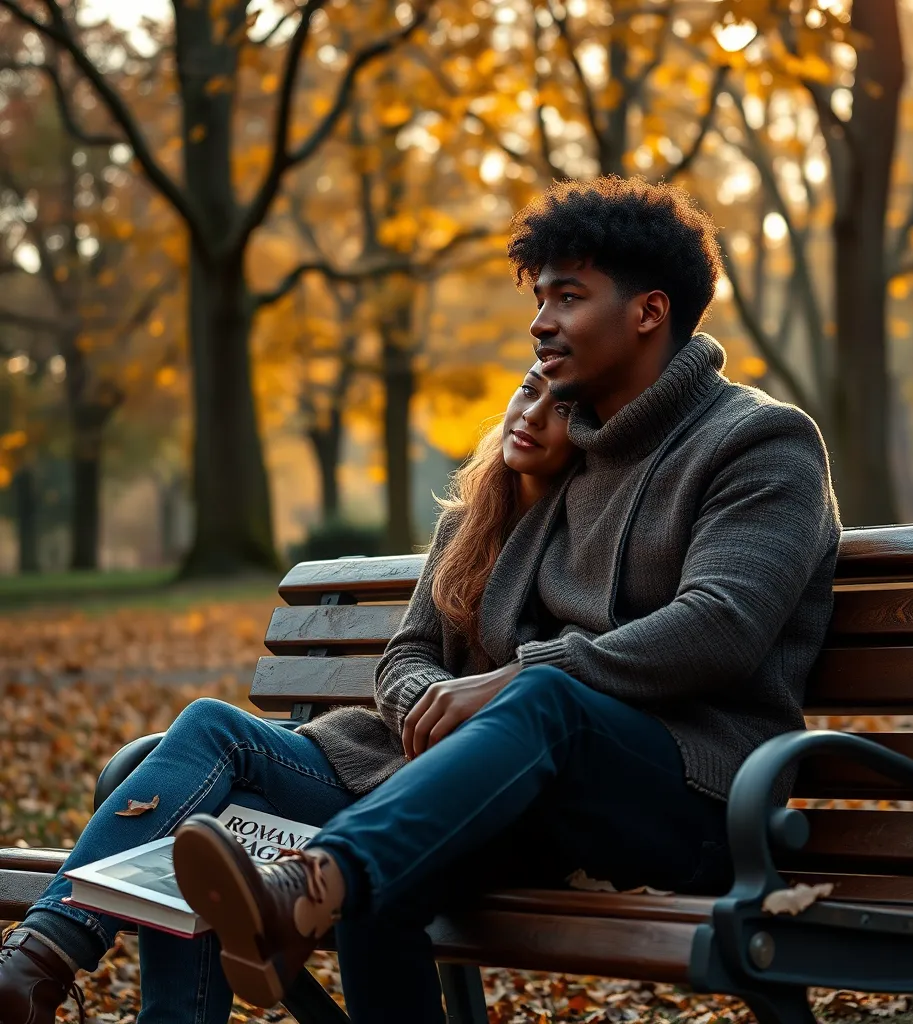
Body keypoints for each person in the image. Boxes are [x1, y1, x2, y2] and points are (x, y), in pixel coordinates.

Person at [168, 176, 842, 1016]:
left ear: (648, 312)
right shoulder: (577, 450)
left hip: (704, 797)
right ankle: (316, 886)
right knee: (352, 862)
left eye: (569, 295)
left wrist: (518, 681)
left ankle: (314, 881)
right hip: (542, 787)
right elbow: (449, 634)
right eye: (540, 296)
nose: (540, 321)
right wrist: (460, 701)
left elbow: (723, 625)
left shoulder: (760, 441)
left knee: (541, 699)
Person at [0, 366, 577, 1024]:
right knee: (207, 772)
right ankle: (36, 960)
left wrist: (477, 722)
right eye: (527, 392)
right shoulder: (468, 525)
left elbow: (569, 684)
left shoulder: (582, 542)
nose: (532, 415)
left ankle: (33, 965)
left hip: (475, 805)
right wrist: (434, 699)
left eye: (560, 409)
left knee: (205, 828)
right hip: (377, 769)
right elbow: (406, 656)